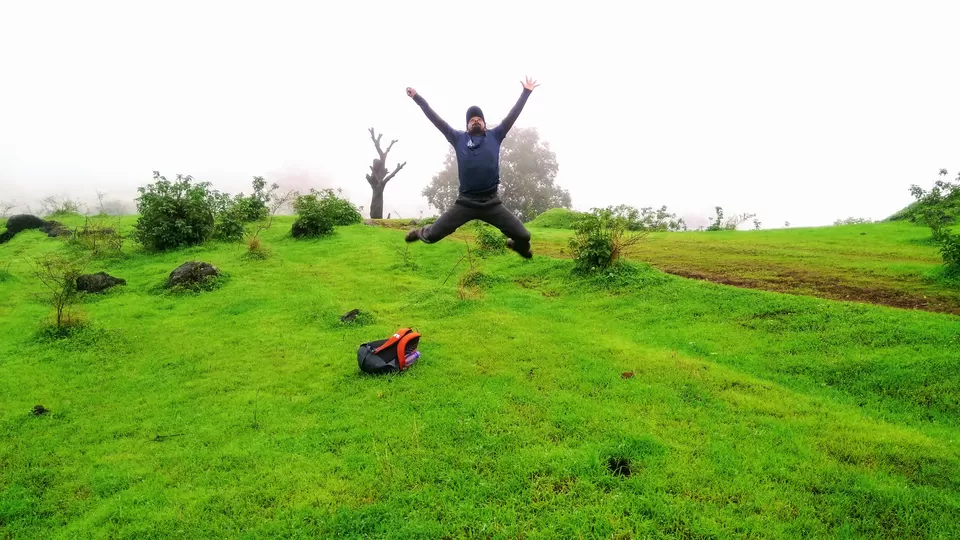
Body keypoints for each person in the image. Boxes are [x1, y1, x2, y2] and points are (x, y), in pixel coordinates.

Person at [403, 76, 540, 258]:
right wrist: (417, 98)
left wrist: (526, 92)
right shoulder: (457, 138)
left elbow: (513, 114)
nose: (475, 120)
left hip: (491, 202)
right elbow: (436, 119)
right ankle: (420, 232)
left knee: (524, 236)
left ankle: (518, 247)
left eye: (479, 119)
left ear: (484, 124)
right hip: (465, 202)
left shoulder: (496, 135)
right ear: (467, 126)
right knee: (433, 236)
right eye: (472, 120)